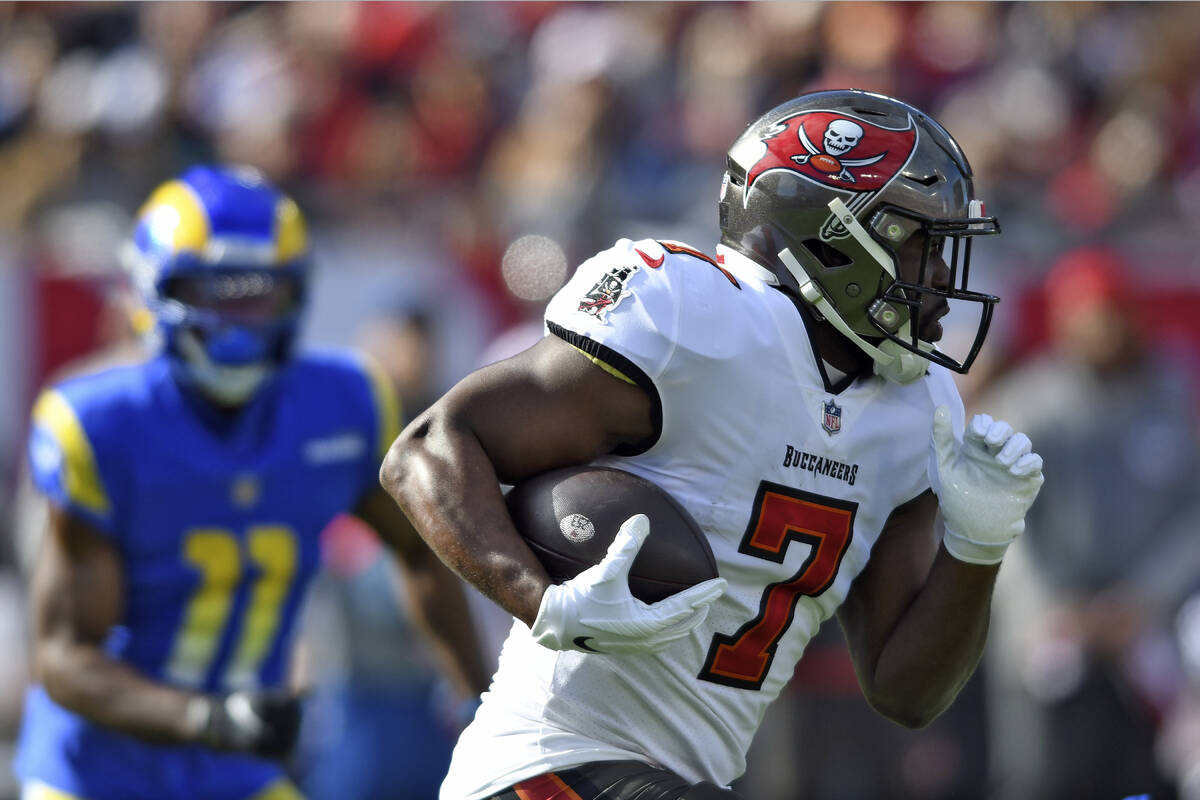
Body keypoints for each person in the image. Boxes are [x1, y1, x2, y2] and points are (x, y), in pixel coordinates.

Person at [380, 88, 1046, 799]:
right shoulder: (692, 319)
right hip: (545, 763)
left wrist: (979, 545)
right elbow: (425, 450)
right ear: (828, 235)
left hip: (688, 779)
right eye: (918, 242)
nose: (942, 277)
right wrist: (543, 602)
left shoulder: (915, 409)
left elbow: (906, 692)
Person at [15, 165, 489, 800]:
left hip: (239, 768)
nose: (235, 322)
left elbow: (419, 551)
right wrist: (205, 718)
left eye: (254, 293)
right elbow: (65, 659)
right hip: (96, 773)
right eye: (210, 293)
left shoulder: (346, 402)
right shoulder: (100, 424)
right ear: (150, 291)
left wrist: (479, 705)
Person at [981, 247, 1200, 800]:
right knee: (1046, 773)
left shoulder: (1172, 392)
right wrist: (1058, 605)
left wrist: (1146, 596)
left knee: (1155, 775)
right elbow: (1002, 516)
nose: (1103, 330)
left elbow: (1194, 510)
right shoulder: (1031, 402)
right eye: (1089, 315)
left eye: (1113, 314)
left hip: (1152, 617)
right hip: (1054, 618)